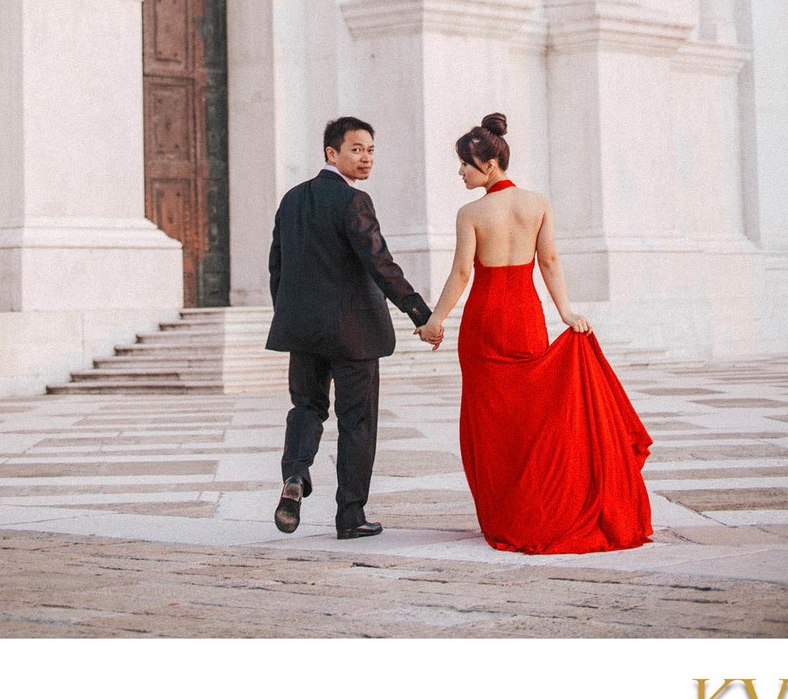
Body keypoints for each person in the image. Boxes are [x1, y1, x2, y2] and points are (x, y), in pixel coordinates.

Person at [417, 113, 652, 555]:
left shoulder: (471, 212)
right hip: (525, 316)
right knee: (531, 418)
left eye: (466, 164)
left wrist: (436, 320)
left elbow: (463, 271)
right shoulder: (537, 202)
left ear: (488, 164)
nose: (460, 172)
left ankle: (509, 512)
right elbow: (550, 262)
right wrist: (566, 313)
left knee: (489, 424)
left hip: (485, 320)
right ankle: (538, 504)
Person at [267, 116, 435, 540]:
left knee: (306, 407)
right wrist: (420, 313)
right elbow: (379, 262)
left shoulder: (292, 199)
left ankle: (296, 475)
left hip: (304, 331)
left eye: (371, 150)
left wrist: (291, 316)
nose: (366, 158)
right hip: (353, 333)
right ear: (332, 153)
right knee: (356, 422)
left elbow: (277, 267)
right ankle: (350, 515)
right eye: (357, 149)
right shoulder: (353, 201)